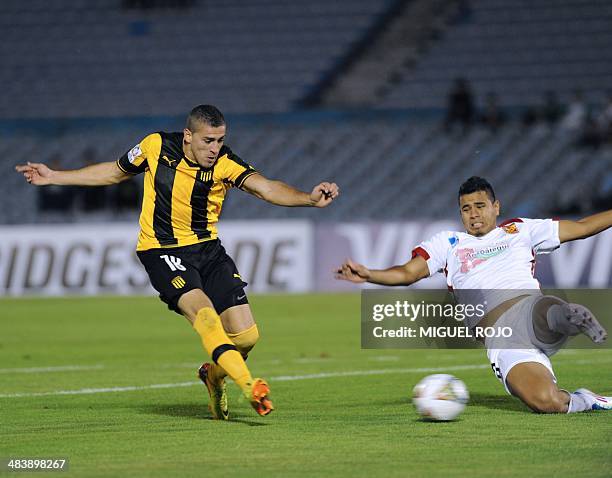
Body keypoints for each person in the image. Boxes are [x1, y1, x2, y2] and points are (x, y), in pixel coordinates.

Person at [16, 104, 340, 419]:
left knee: (246, 338)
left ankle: (212, 376)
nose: (215, 148)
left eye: (220, 140)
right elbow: (115, 172)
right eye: (207, 141)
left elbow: (266, 188)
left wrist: (308, 199)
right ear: (188, 135)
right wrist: (54, 176)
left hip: (209, 250)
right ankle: (250, 385)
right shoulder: (155, 146)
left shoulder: (225, 163)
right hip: (162, 249)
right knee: (205, 316)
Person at [336, 176, 610, 414]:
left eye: (480, 206)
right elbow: (408, 273)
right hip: (502, 341)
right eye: (466, 209)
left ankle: (565, 317)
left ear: (496, 207)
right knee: (547, 402)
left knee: (544, 311)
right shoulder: (447, 243)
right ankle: (588, 399)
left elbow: (583, 228)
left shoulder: (519, 230)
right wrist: (370, 274)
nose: (473, 214)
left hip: (529, 310)